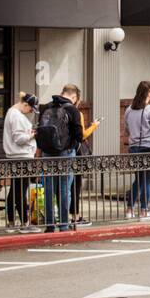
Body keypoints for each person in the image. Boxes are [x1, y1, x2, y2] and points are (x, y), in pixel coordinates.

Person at [35, 85, 85, 232]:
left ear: (62, 92)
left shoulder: (46, 107)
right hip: (65, 153)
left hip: (47, 154)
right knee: (64, 189)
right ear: (74, 97)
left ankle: (50, 225)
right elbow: (79, 135)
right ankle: (63, 224)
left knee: (49, 189)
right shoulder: (72, 110)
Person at [124, 80, 150, 220]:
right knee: (147, 180)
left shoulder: (129, 109)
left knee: (138, 180)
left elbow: (127, 129)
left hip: (134, 148)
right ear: (148, 93)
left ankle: (130, 209)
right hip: (149, 149)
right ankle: (144, 210)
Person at [2, 92, 39, 232]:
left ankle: (12, 222)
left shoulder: (12, 113)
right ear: (25, 104)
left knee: (15, 190)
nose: (31, 112)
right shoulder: (16, 115)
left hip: (16, 156)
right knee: (20, 191)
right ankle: (25, 223)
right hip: (21, 156)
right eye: (30, 109)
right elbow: (19, 139)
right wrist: (34, 134)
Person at [67, 85, 100, 228]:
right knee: (75, 185)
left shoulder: (56, 109)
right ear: (75, 98)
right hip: (75, 153)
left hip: (60, 153)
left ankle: (63, 215)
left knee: (63, 186)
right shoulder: (76, 113)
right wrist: (94, 126)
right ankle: (75, 216)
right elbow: (82, 136)